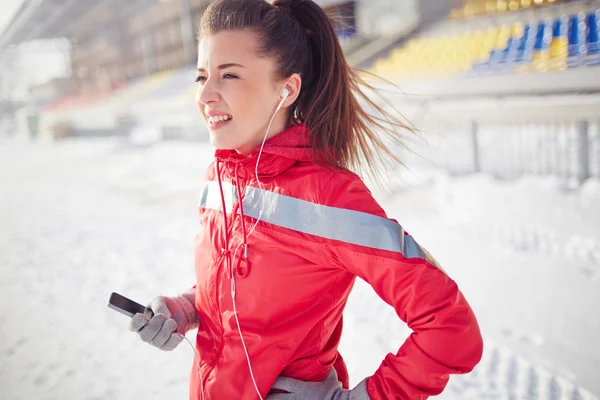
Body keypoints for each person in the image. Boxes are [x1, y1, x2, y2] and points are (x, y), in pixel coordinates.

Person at [128, 0, 484, 398]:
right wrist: (182, 310)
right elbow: (240, 294)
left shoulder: (328, 196)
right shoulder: (220, 178)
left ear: (287, 89)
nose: (206, 95)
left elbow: (451, 328)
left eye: (228, 75)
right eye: (201, 76)